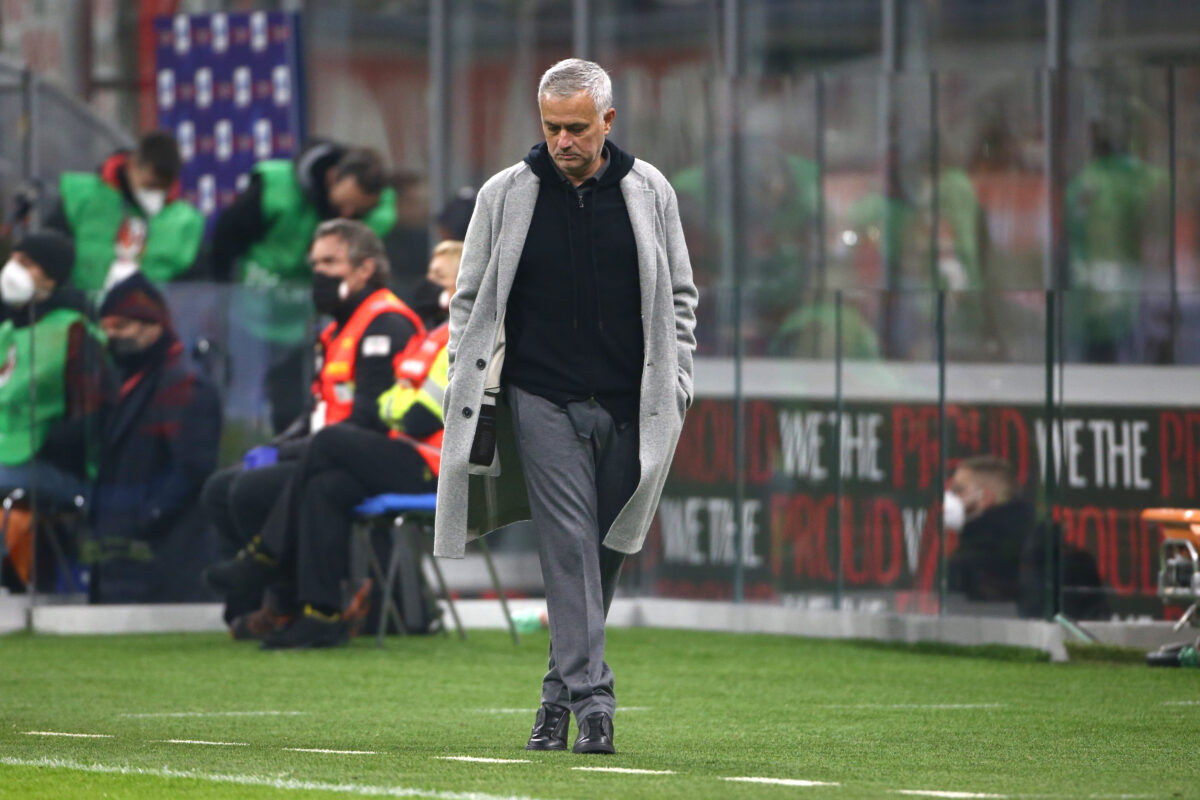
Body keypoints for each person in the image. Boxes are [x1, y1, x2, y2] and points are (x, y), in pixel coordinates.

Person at [434, 58, 697, 755]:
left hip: (632, 405)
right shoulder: (504, 194)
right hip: (539, 399)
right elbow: (469, 299)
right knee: (569, 546)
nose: (562, 141)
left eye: (577, 127)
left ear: (607, 121)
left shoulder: (651, 191)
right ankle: (594, 702)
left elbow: (680, 296)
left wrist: (676, 381)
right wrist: (466, 371)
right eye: (552, 127)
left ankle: (554, 704)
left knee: (601, 552)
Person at [210, 241, 461, 649]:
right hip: (405, 454)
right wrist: (398, 406)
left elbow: (417, 416)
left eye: (439, 277)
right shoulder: (434, 337)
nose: (427, 283)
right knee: (326, 486)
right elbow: (392, 403)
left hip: (435, 466)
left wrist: (397, 406)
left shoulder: (462, 338)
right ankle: (321, 614)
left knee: (328, 442)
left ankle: (265, 555)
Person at [209, 141, 398, 432]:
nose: (348, 214)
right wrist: (220, 300)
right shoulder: (274, 188)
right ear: (332, 177)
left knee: (294, 404)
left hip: (306, 326)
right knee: (241, 402)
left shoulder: (378, 212)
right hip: (250, 315)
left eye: (357, 211)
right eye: (343, 204)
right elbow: (224, 242)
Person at [86, 273, 222, 603]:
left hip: (165, 554)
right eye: (106, 327)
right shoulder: (125, 379)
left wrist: (147, 515)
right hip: (124, 545)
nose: (111, 336)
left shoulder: (183, 383)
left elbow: (192, 467)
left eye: (121, 326)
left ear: (153, 327)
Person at [0, 232, 109, 591]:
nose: (13, 269)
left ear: (52, 276)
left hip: (57, 468)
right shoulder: (10, 327)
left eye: (27, 263)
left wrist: (47, 446)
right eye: (14, 259)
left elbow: (93, 417)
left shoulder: (75, 331)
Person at [46, 130, 205, 291]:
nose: (156, 193)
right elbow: (51, 259)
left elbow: (194, 287)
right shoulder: (81, 197)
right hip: (81, 302)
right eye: (150, 185)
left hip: (150, 305)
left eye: (163, 188)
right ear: (132, 165)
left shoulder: (185, 221)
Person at [944, 454, 1033, 604]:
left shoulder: (971, 562)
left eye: (957, 490)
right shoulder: (1029, 541)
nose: (949, 497)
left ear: (985, 497)